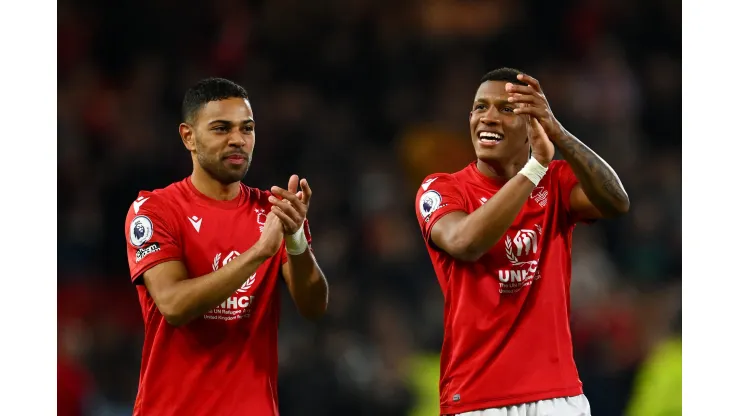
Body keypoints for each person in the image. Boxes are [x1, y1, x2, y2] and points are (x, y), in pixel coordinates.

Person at [414, 67, 630, 416]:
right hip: (476, 397)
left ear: (533, 125)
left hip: (558, 395)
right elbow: (465, 242)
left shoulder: (557, 182)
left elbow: (617, 202)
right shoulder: (441, 188)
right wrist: (535, 168)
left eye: (506, 109)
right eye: (480, 107)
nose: (489, 118)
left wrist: (558, 134)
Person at [124, 77, 329, 416]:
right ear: (188, 136)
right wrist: (260, 252)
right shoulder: (154, 210)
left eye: (246, 129)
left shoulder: (274, 211)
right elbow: (173, 305)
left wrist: (295, 240)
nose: (238, 140)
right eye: (221, 128)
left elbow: (314, 307)